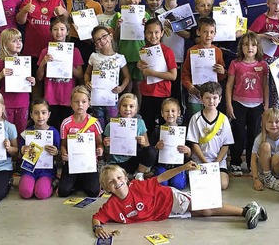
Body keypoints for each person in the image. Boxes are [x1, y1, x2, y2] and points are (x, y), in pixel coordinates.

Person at [91, 161, 267, 239]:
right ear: (106, 189)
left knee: (206, 208)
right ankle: (248, 209)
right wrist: (98, 227)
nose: (117, 183)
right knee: (203, 212)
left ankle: (247, 210)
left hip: (171, 199)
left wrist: (183, 167)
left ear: (126, 178)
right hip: (168, 214)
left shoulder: (138, 186)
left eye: (119, 178)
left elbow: (162, 177)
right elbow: (97, 216)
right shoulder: (111, 206)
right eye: (111, 182)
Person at [16, 0, 66, 99]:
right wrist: (24, 10)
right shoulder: (29, 0)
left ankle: (49, 112)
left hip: (53, 52)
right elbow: (20, 22)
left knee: (51, 82)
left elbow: (67, 23)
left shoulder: (57, 0)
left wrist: (64, 12)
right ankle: (36, 109)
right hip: (32, 51)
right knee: (35, 82)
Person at [225, 32, 268, 176]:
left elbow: (265, 86)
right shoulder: (235, 64)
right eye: (246, 44)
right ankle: (236, 162)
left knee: (253, 136)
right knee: (238, 134)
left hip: (257, 105)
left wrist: (266, 105)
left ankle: (251, 163)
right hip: (238, 104)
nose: (250, 48)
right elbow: (229, 85)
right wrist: (229, 105)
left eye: (253, 45)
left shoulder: (263, 65)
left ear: (258, 47)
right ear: (241, 47)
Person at [36, 16, 84, 128]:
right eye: (55, 29)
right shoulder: (45, 51)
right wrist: (43, 62)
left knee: (66, 127)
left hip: (68, 98)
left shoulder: (74, 51)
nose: (59, 32)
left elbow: (80, 75)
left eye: (62, 29)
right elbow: (39, 77)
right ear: (51, 31)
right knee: (51, 126)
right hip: (50, 97)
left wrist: (67, 64)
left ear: (67, 32)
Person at [0, 28, 37, 138]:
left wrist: (32, 81)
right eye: (14, 41)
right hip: (6, 103)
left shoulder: (25, 61)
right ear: (5, 44)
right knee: (6, 133)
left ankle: (19, 153)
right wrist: (1, 75)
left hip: (23, 102)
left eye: (20, 40)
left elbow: (28, 81)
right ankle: (8, 153)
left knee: (21, 131)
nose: (18, 43)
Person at [58, 86, 104, 197]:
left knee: (93, 192)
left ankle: (79, 181)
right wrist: (63, 153)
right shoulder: (66, 123)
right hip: (72, 162)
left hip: (89, 164)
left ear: (89, 103)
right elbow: (63, 145)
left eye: (84, 101)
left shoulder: (94, 122)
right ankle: (76, 181)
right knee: (63, 192)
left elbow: (100, 143)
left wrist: (100, 150)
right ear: (71, 103)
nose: (80, 105)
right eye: (76, 101)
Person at [187, 81, 233, 190]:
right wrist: (205, 162)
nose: (211, 101)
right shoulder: (195, 118)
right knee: (197, 185)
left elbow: (226, 145)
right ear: (201, 98)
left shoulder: (224, 119)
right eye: (207, 98)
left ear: (220, 99)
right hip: (200, 159)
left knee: (223, 184)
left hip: (218, 161)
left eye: (214, 98)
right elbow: (194, 144)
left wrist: (216, 163)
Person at [249, 0, 279, 108]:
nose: (277, 7)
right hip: (263, 57)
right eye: (274, 4)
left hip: (278, 59)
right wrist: (265, 36)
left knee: (278, 87)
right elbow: (250, 34)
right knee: (264, 86)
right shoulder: (262, 19)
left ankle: (275, 113)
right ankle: (263, 113)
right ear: (268, 3)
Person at [111, 0, 151, 101]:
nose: (132, 0)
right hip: (124, 56)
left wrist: (145, 27)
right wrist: (118, 27)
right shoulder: (118, 15)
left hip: (140, 57)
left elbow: (150, 39)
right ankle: (124, 114)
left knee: (138, 87)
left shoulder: (146, 15)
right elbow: (115, 38)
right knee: (126, 86)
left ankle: (137, 114)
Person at [85, 26, 131, 128]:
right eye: (98, 39)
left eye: (104, 36)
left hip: (112, 98)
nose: (102, 40)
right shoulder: (94, 56)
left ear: (110, 36)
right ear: (96, 43)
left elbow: (127, 77)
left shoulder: (120, 57)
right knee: (98, 124)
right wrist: (87, 82)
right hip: (97, 98)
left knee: (112, 125)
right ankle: (100, 143)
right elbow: (87, 73)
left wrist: (121, 88)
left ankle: (110, 143)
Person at [137, 19, 178, 133]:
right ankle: (148, 148)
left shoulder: (167, 51)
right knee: (147, 125)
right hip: (147, 93)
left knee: (164, 126)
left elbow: (173, 75)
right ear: (145, 34)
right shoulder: (143, 50)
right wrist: (139, 66)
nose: (153, 36)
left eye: (156, 32)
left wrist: (152, 73)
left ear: (162, 33)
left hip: (162, 93)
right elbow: (144, 74)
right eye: (150, 32)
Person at [103, 93, 155, 181]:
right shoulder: (111, 125)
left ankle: (139, 173)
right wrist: (106, 144)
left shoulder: (140, 123)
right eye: (124, 105)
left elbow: (147, 146)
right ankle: (128, 176)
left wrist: (143, 142)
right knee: (112, 177)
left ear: (136, 109)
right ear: (119, 108)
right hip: (116, 161)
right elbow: (106, 151)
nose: (127, 109)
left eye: (131, 106)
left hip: (134, 159)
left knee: (151, 151)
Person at [181, 17, 227, 118]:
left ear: (215, 34)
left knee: (210, 119)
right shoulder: (192, 51)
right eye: (205, 32)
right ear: (198, 32)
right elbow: (185, 73)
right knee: (195, 119)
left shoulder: (218, 52)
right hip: (195, 94)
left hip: (212, 95)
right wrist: (190, 87)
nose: (208, 35)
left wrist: (222, 71)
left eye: (211, 32)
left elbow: (221, 77)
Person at [18, 99, 60, 199]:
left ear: (48, 114)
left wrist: (56, 152)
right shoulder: (26, 132)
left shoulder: (54, 132)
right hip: (29, 170)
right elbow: (19, 154)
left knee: (41, 194)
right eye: (36, 113)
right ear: (31, 115)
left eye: (43, 113)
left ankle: (54, 182)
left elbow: (59, 156)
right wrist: (22, 150)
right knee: (26, 193)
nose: (40, 116)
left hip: (46, 171)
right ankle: (27, 182)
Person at [66, 0, 102, 70]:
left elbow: (99, 27)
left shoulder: (96, 5)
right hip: (71, 39)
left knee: (86, 71)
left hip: (88, 42)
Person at [249, 108, 279, 191]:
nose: (273, 125)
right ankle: (267, 178)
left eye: (277, 122)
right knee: (265, 146)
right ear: (264, 124)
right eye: (270, 122)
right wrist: (255, 179)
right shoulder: (260, 138)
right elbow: (253, 159)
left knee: (277, 157)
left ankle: (277, 178)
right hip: (264, 170)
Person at [151, 98, 191, 189]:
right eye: (166, 111)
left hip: (178, 165)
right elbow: (151, 150)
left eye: (173, 111)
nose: (170, 114)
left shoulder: (183, 131)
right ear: (162, 113)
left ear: (179, 113)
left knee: (178, 185)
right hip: (162, 165)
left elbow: (189, 154)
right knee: (162, 184)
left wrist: (188, 150)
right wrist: (156, 147)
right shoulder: (157, 130)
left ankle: (184, 176)